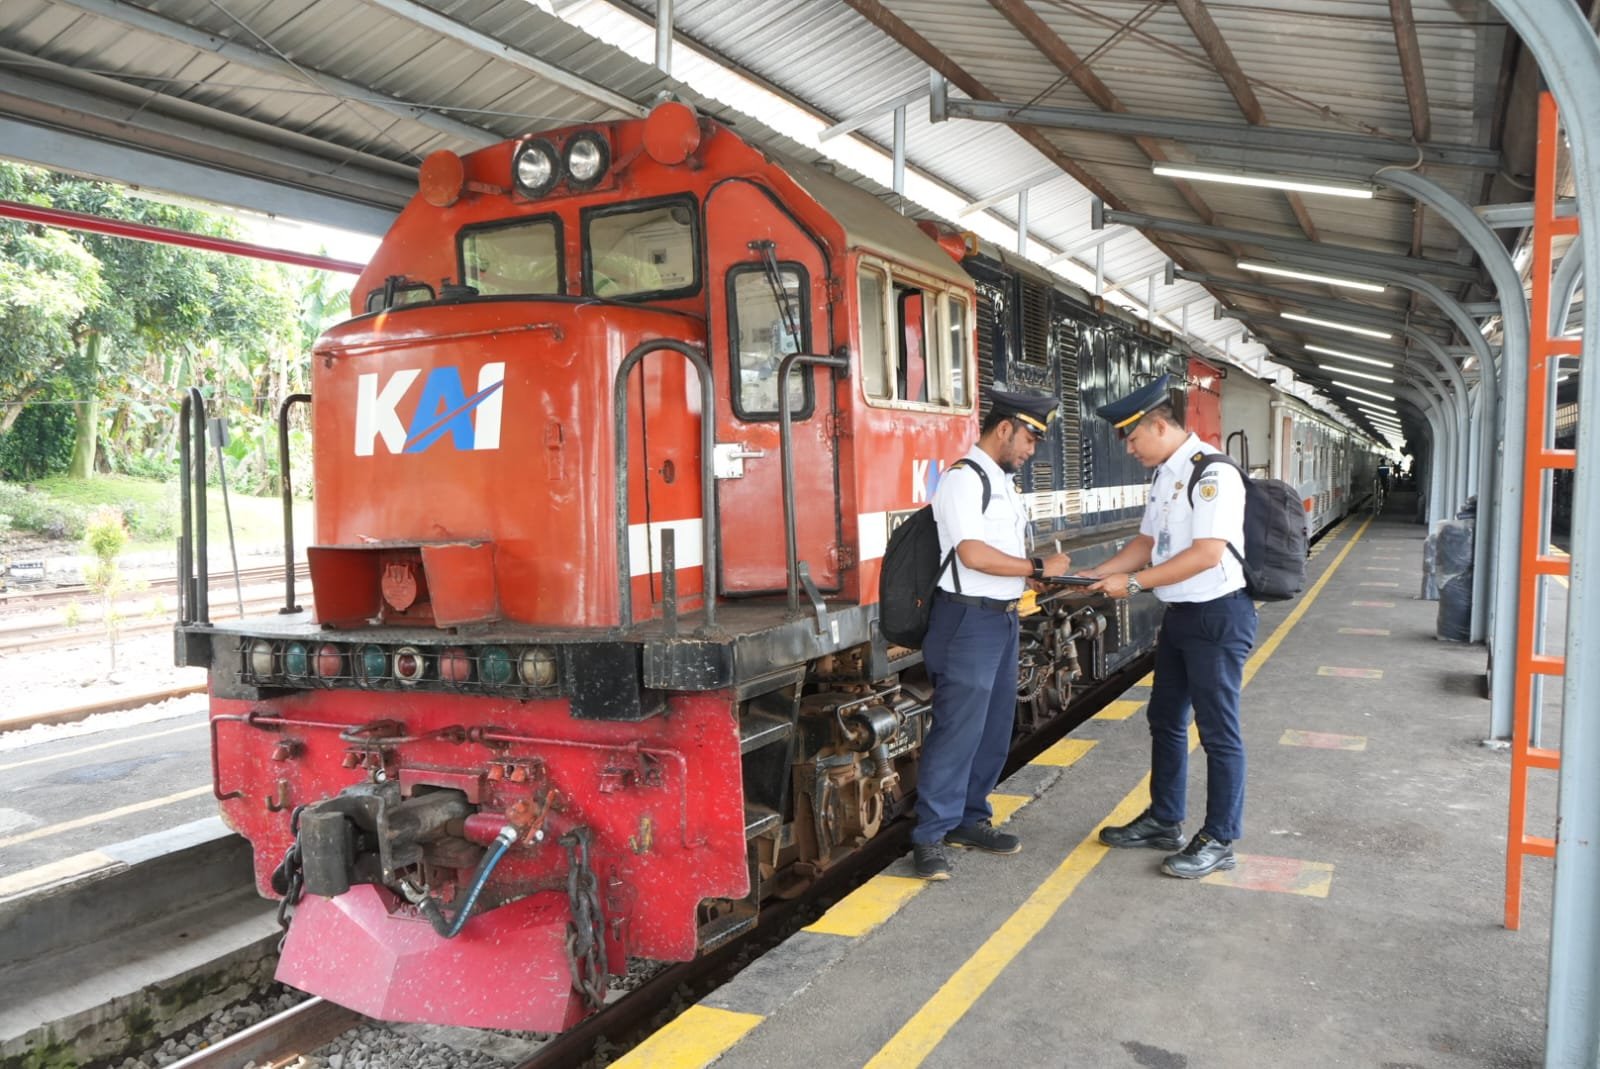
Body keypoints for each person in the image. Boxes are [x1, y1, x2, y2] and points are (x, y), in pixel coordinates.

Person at [1079, 374, 1258, 879]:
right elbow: (1147, 542)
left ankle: (1221, 837)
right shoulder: (1165, 474)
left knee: (1219, 732)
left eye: (1133, 439)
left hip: (1218, 615)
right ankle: (1164, 819)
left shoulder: (1212, 475)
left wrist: (1132, 585)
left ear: (1159, 426)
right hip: (1181, 616)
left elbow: (1206, 554)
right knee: (1165, 719)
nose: (1130, 449)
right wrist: (1103, 571)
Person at [912, 387, 1072, 881]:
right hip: (966, 621)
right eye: (1028, 439)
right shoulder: (963, 480)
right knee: (959, 727)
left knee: (994, 724)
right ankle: (929, 837)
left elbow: (997, 560)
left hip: (1000, 617)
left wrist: (1033, 576)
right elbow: (972, 555)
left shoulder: (1001, 483)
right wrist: (1037, 564)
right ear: (1004, 428)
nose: (1031, 451)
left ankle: (970, 819)